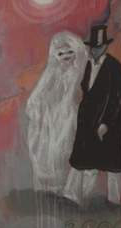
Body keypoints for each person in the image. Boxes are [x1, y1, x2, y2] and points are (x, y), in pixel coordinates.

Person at [64, 22, 121, 205]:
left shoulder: (115, 67)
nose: (95, 50)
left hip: (109, 123)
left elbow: (117, 98)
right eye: (93, 47)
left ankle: (114, 203)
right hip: (88, 121)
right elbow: (85, 91)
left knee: (113, 164)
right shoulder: (88, 65)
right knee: (85, 161)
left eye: (99, 47)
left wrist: (106, 123)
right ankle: (78, 199)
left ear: (106, 46)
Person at [26, 31, 86, 195]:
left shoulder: (79, 73)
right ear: (54, 56)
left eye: (70, 52)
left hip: (71, 118)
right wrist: (38, 108)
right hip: (53, 120)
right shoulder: (52, 73)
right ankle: (53, 190)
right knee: (52, 153)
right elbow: (36, 97)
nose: (65, 56)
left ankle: (70, 191)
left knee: (67, 150)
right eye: (60, 53)